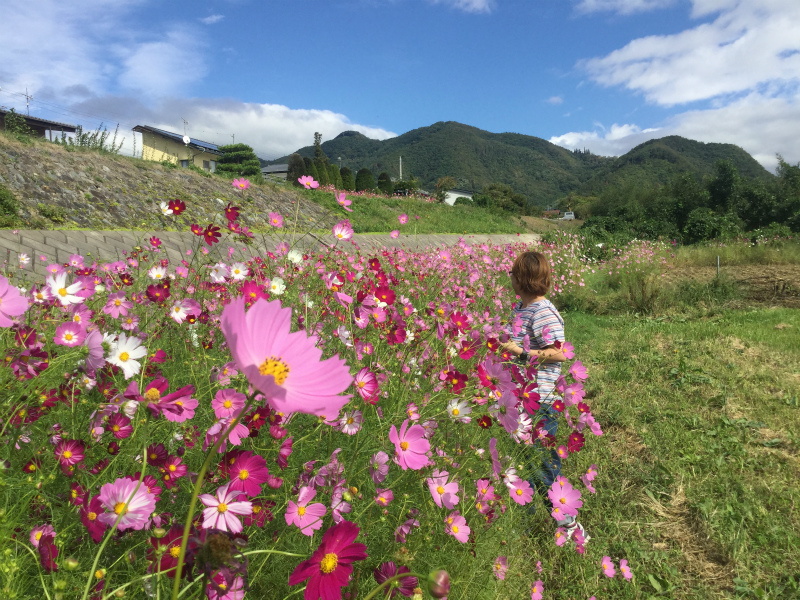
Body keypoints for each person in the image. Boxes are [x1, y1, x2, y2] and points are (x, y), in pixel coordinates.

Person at [499, 251, 587, 543]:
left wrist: (522, 353)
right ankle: (519, 529)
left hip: (541, 403)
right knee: (521, 464)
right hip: (521, 400)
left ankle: (570, 525)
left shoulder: (542, 311)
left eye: (513, 273)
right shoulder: (521, 308)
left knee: (541, 467)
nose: (510, 277)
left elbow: (559, 352)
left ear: (523, 277)